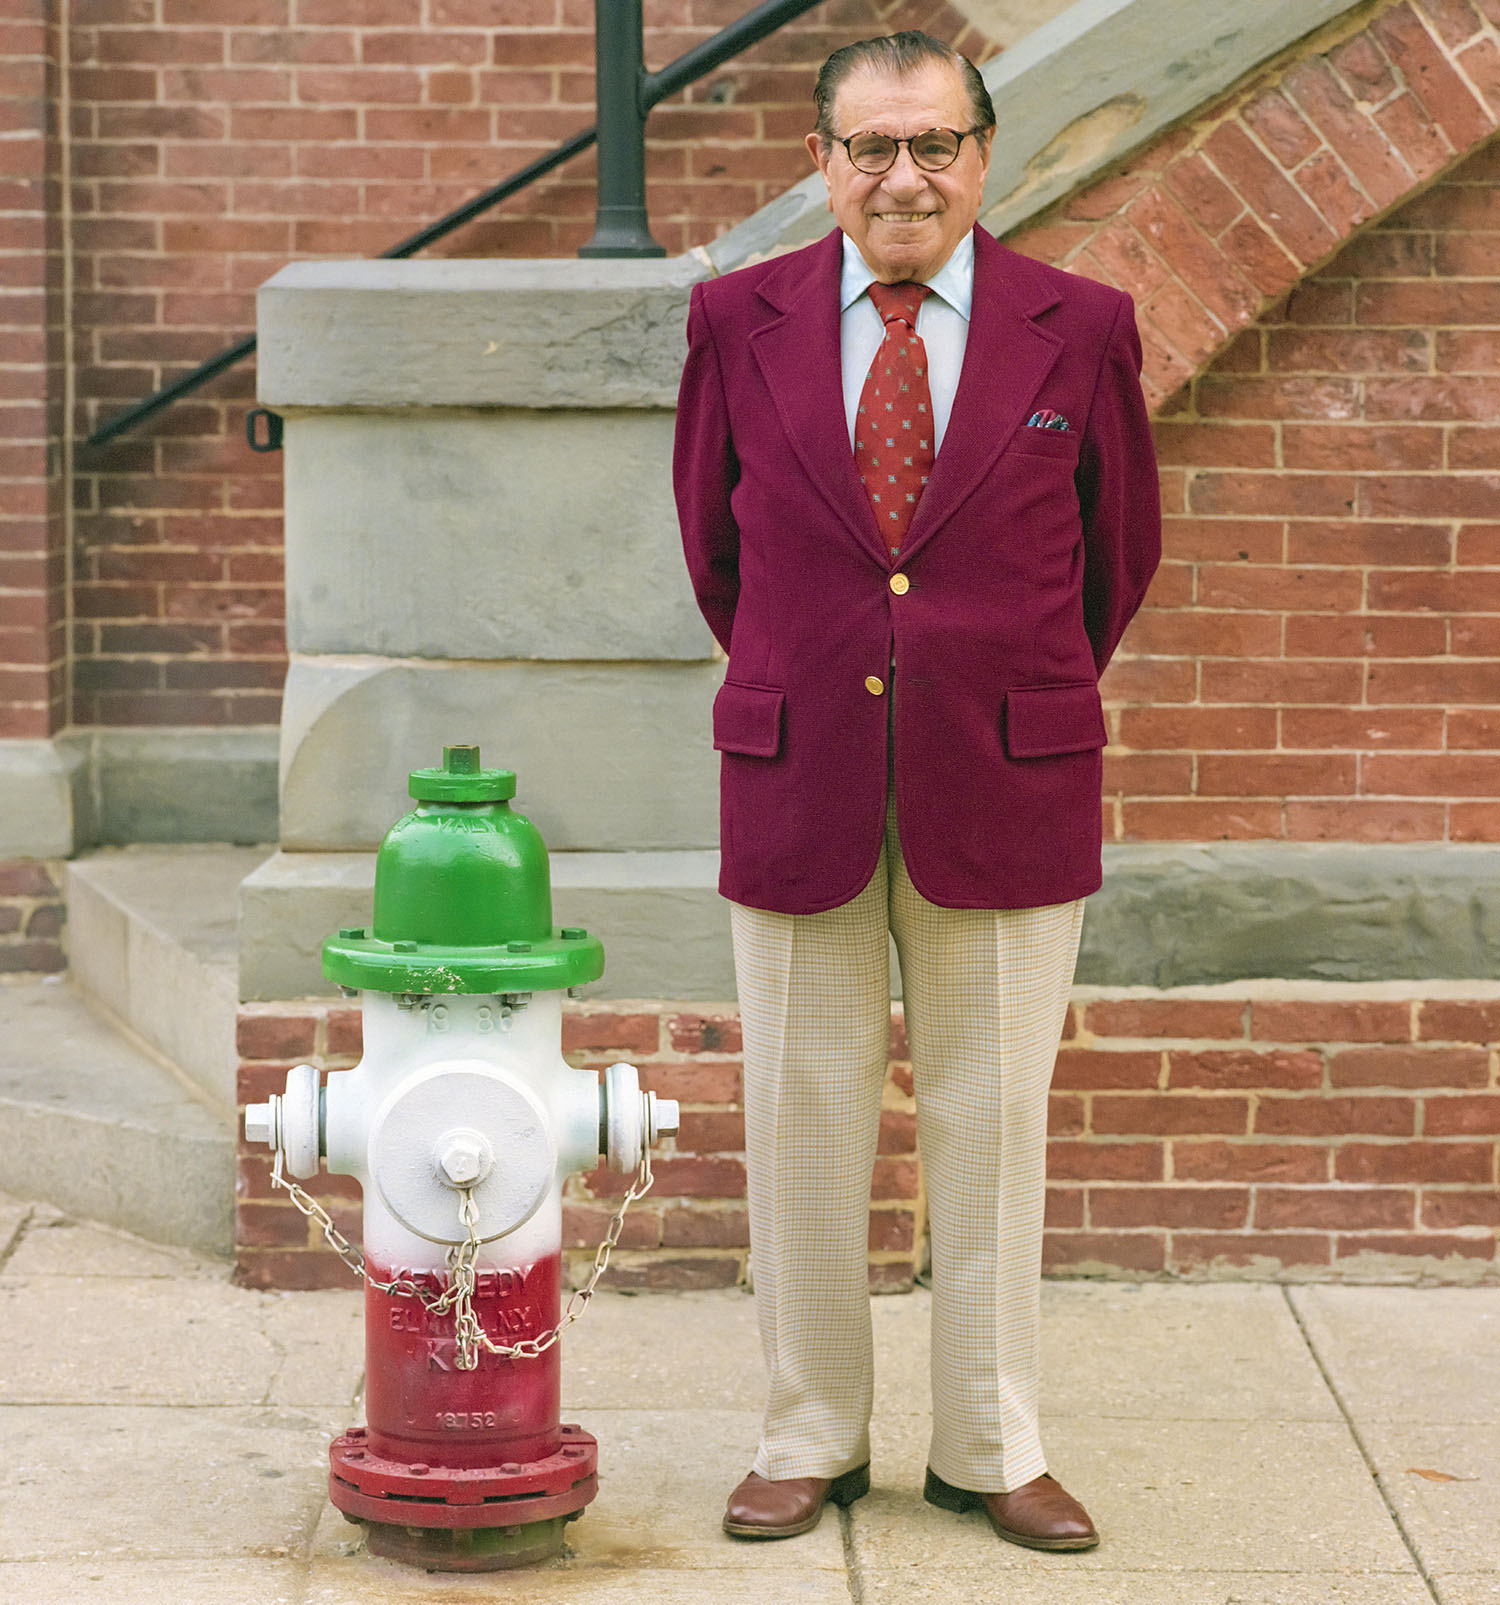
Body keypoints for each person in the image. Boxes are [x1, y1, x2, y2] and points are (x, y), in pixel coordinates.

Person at [672, 30, 1160, 1551]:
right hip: (799, 767)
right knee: (804, 1113)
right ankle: (810, 1432)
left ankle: (990, 1441)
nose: (904, 176)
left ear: (985, 153)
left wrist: (995, 689)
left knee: (994, 1116)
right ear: (819, 163)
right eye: (871, 147)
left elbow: (1116, 554)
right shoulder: (733, 320)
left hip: (1008, 777)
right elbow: (714, 547)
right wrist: (820, 671)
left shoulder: (1078, 327)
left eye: (935, 144)